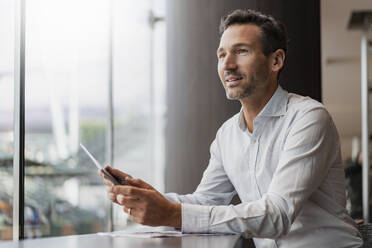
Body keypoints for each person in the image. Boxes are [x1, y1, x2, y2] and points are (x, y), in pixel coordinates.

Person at [99, 9, 363, 247]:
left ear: (276, 61)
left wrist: (170, 212)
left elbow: (277, 215)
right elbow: (206, 202)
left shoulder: (309, 117)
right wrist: (152, 198)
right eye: (222, 54)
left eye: (241, 51)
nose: (227, 64)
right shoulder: (227, 134)